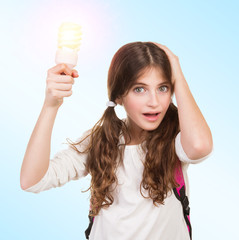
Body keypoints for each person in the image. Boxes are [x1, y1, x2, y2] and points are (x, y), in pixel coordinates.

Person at [20, 41, 213, 240]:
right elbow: (32, 180)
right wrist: (51, 105)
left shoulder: (176, 138)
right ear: (119, 96)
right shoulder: (99, 141)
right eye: (140, 89)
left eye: (163, 88)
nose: (154, 102)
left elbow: (200, 146)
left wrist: (177, 73)